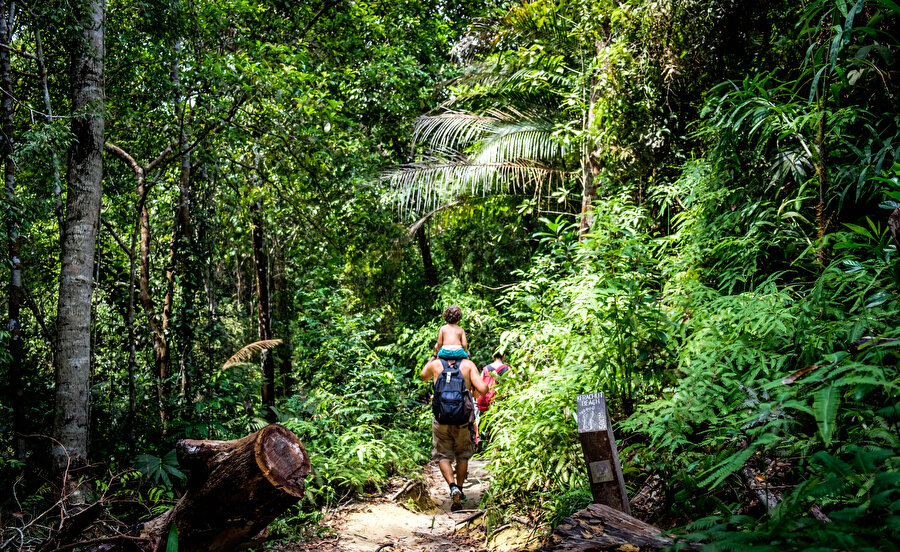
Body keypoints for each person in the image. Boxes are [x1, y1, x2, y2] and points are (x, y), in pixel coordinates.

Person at [420, 354, 487, 511]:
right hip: (462, 420)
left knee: (442, 455)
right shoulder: (468, 365)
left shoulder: (436, 364)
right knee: (462, 455)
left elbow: (422, 376)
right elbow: (483, 390)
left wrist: (433, 356)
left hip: (441, 419)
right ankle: (460, 489)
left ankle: (452, 487)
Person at [474, 351, 511, 444]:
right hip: (501, 401)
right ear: (504, 356)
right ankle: (497, 445)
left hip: (487, 401)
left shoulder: (486, 369)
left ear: (493, 356)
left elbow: (480, 385)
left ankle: (489, 443)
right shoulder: (507, 369)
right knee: (500, 424)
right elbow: (512, 386)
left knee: (488, 424)